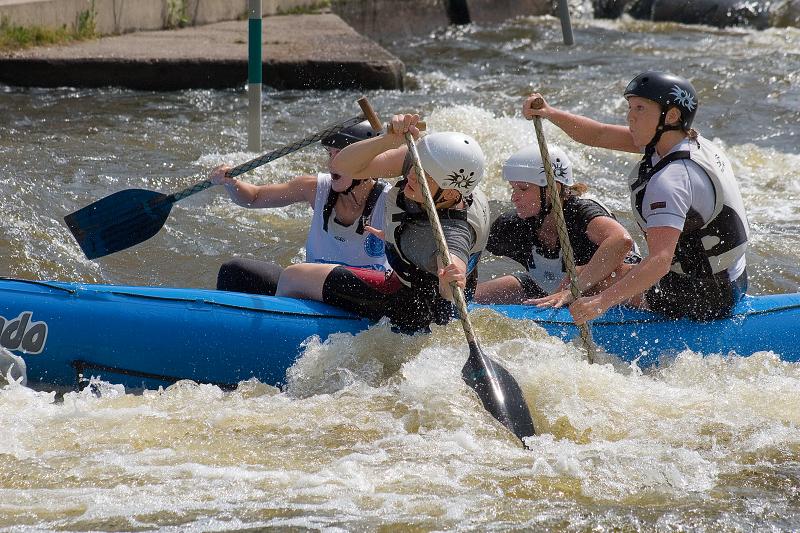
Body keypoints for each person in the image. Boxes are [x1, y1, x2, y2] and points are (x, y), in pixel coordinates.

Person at [522, 71, 749, 323]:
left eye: (640, 108)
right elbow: (598, 135)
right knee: (584, 275)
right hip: (731, 277)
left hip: (705, 296)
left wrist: (600, 302)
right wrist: (550, 113)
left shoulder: (671, 181)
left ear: (671, 116)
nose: (630, 116)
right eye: (630, 107)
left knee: (583, 282)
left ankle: (552, 324)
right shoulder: (683, 141)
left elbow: (659, 262)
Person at [275, 113, 491, 333]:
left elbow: (450, 284)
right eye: (415, 170)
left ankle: (282, 335)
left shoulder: (453, 234)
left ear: (449, 194)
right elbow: (345, 166)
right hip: (401, 281)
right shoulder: (421, 164)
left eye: (424, 178)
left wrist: (450, 280)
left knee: (294, 277)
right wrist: (388, 140)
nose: (412, 177)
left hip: (415, 307)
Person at [210, 121, 391, 295]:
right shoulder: (314, 188)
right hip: (313, 290)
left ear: (367, 162)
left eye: (342, 156)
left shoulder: (391, 201)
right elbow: (254, 198)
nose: (331, 165)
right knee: (234, 272)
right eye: (330, 154)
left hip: (365, 295)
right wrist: (231, 183)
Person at [473, 143, 638, 307]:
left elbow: (621, 240)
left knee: (578, 274)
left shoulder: (581, 212)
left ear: (553, 188)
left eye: (523, 189)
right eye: (513, 188)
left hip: (610, 289)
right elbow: (472, 251)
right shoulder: (513, 224)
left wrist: (573, 290)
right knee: (472, 296)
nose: (514, 198)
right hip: (547, 289)